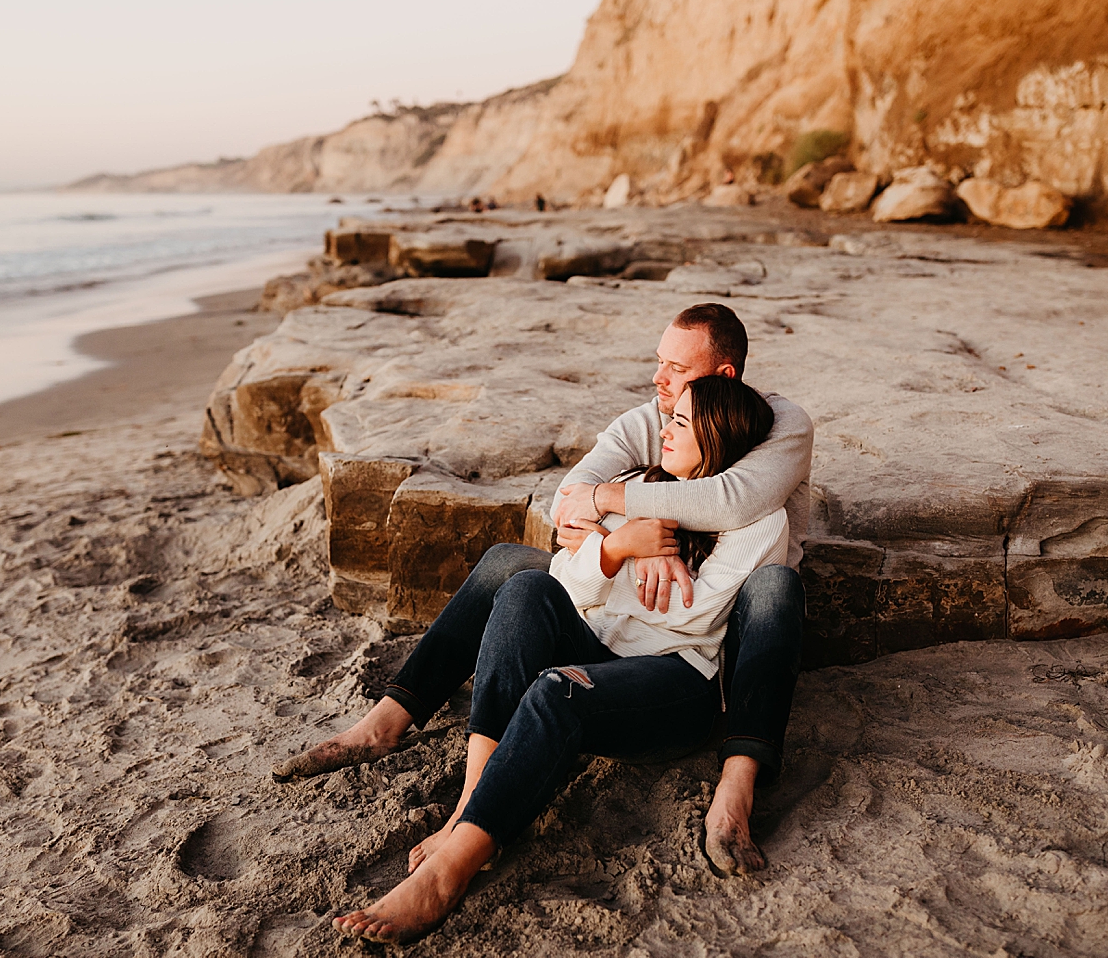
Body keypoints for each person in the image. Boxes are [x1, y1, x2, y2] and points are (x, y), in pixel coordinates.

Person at [274, 303, 813, 876]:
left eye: (675, 369)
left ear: (722, 377)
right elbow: (568, 502)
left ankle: (737, 782)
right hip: (627, 606)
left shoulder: (780, 425)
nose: (658, 380)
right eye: (659, 363)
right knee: (512, 566)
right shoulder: (652, 422)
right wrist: (624, 539)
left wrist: (617, 510)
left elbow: (733, 500)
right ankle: (388, 719)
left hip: (726, 618)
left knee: (776, 588)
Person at [333, 375, 786, 943]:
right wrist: (622, 547)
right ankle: (471, 801)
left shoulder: (759, 521)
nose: (664, 429)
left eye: (681, 422)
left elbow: (689, 619)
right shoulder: (644, 485)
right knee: (525, 588)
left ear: (717, 438)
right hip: (600, 643)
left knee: (554, 689)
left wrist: (649, 548)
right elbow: (567, 577)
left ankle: (449, 875)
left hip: (673, 678)